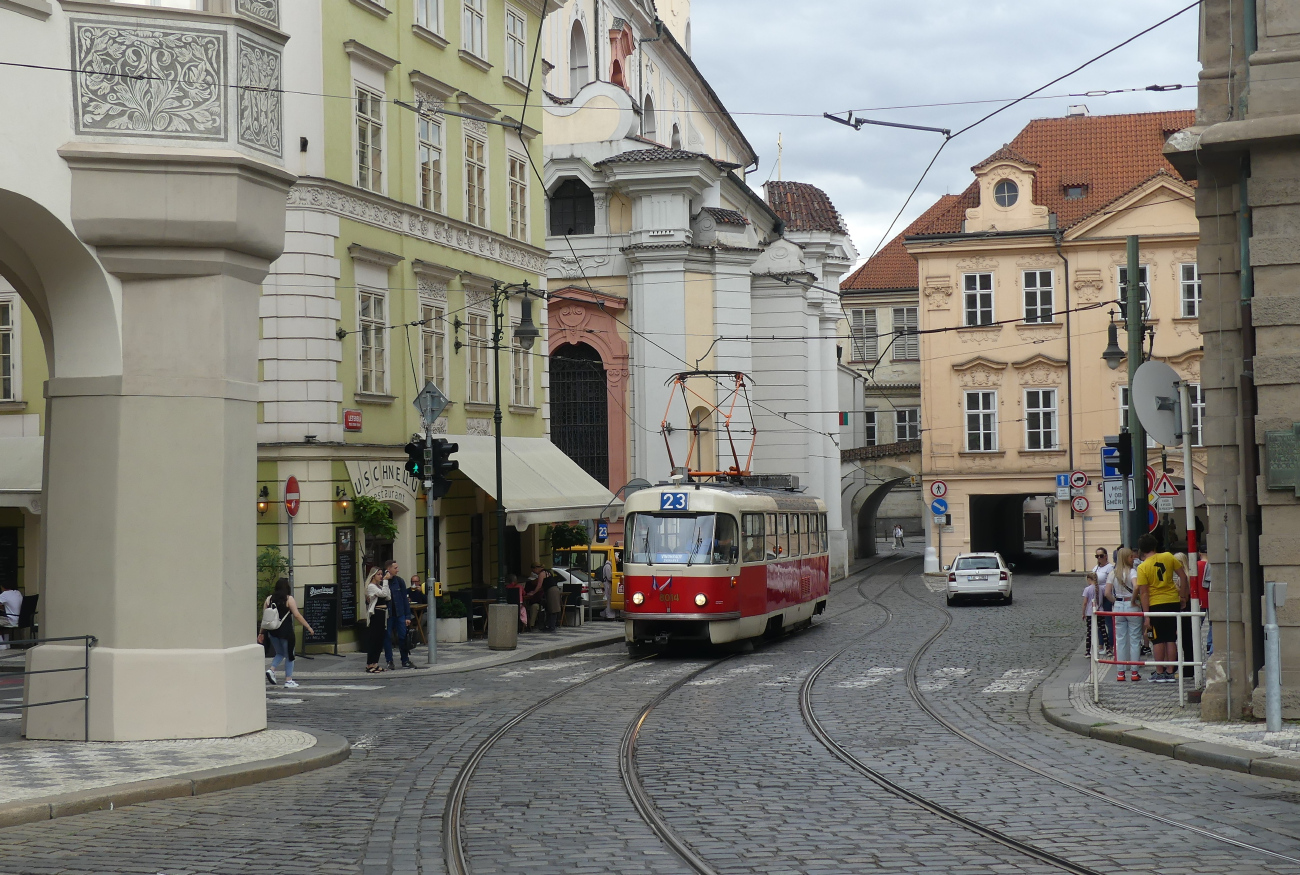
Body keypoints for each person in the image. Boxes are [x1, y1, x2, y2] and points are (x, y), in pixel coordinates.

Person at [1134, 534, 1187, 683]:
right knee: (1171, 638)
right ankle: (1171, 671)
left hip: (1155, 604)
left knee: (1157, 639)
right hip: (1172, 600)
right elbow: (1183, 577)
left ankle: (1159, 671)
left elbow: (1144, 592)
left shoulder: (1142, 567)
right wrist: (1182, 596)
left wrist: (1146, 614)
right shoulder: (1169, 557)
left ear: (1142, 550)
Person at [261, 578, 314, 688]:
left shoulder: (268, 599)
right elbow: (297, 615)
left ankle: (272, 670)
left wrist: (261, 633)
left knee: (280, 653)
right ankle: (288, 680)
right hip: (286, 632)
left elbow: (264, 619)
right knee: (290, 655)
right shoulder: (289, 599)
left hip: (272, 631)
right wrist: (308, 627)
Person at [1106, 547, 1142, 682]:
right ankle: (1134, 672)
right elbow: (1137, 586)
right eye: (1131, 557)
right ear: (1126, 558)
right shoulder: (1132, 572)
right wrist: (1133, 600)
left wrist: (1116, 602)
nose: (1133, 559)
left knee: (1120, 640)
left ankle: (1120, 672)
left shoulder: (1113, 573)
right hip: (1131, 607)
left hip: (1118, 606)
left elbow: (1107, 593)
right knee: (1134, 639)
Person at [383, 560, 414, 669]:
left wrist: (407, 616)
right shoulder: (383, 581)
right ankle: (389, 660)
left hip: (400, 613)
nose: (398, 570)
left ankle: (405, 660)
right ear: (388, 569)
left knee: (403, 636)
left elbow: (405, 600)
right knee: (387, 638)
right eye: (395, 568)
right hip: (388, 615)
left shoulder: (399, 581)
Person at [364, 567, 391, 673]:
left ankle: (375, 663)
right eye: (378, 574)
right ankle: (370, 664)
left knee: (380, 639)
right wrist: (385, 581)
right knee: (374, 639)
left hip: (383, 613)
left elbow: (388, 596)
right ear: (373, 575)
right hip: (376, 613)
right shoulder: (371, 586)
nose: (381, 576)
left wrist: (385, 583)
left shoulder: (379, 586)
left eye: (381, 574)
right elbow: (384, 594)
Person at [1092, 548, 1115, 656]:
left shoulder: (1109, 567)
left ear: (1106, 556)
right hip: (1097, 596)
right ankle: (1100, 644)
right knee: (1099, 622)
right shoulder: (1096, 568)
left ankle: (1110, 645)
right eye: (1097, 556)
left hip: (1106, 596)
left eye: (1101, 556)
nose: (1099, 558)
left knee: (1108, 622)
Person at [1082, 572, 1101, 656]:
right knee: (1102, 629)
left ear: (1089, 580)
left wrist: (1083, 613)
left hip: (1090, 612)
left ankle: (1087, 651)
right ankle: (1108, 649)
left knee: (1089, 632)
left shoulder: (1087, 589)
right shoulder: (1101, 588)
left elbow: (1085, 603)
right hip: (1100, 611)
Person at [523, 564, 547, 629]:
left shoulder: (540, 586)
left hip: (538, 603)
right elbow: (525, 593)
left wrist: (533, 594)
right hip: (528, 602)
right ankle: (524, 625)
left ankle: (531, 625)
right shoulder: (528, 584)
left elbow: (540, 597)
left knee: (534, 607)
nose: (532, 581)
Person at [0, 582, 21, 651]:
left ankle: (2, 644)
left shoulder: (5, 594)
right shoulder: (17, 593)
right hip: (20, 620)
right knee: (3, 621)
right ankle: (7, 643)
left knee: (2, 621)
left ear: (2, 587)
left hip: (11, 619)